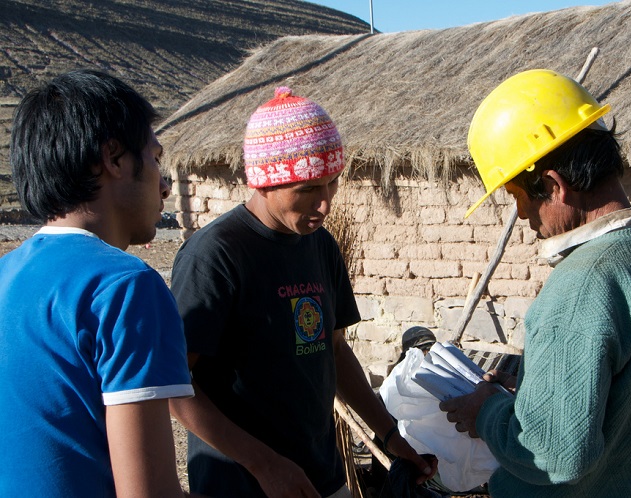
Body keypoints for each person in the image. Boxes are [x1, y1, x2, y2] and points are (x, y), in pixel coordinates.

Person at [440, 69, 631, 497]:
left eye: (518, 197)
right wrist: (538, 390)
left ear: (554, 185)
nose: (525, 218)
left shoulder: (583, 285)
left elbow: (553, 453)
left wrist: (488, 411)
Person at [169, 86, 437, 498]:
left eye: (332, 184)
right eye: (308, 189)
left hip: (320, 477)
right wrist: (264, 464)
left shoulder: (321, 245)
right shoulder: (216, 255)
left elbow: (332, 348)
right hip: (242, 484)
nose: (326, 203)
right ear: (263, 184)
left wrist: (389, 435)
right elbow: (171, 383)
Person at [0, 69, 196, 497]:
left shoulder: (5, 276)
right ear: (114, 158)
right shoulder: (124, 288)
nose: (164, 185)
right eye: (156, 158)